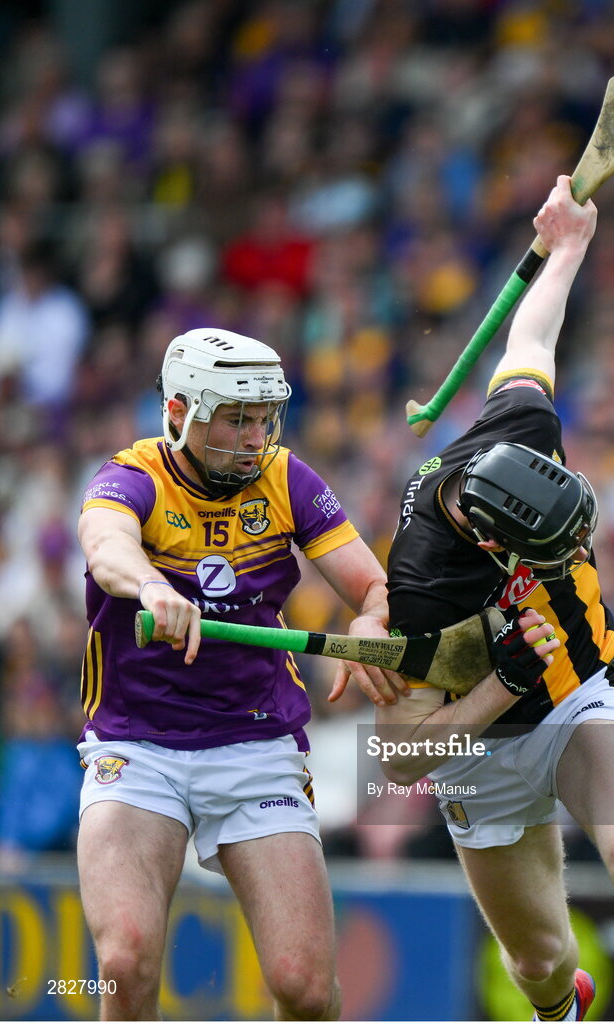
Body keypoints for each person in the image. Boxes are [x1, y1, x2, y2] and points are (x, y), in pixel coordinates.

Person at [338, 177, 614, 1021]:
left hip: (580, 694)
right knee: (539, 960)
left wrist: (567, 247)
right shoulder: (422, 589)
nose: (574, 557)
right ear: (488, 541)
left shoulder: (522, 432)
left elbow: (530, 338)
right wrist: (498, 684)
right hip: (479, 742)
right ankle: (561, 1008)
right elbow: (401, 759)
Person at [76, 327, 403, 1021]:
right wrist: (150, 587)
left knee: (304, 989)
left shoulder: (285, 478)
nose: (255, 438)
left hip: (255, 745)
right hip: (138, 748)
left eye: (262, 419)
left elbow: (371, 588)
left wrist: (372, 619)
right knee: (124, 960)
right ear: (177, 415)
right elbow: (106, 548)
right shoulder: (128, 478)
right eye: (235, 420)